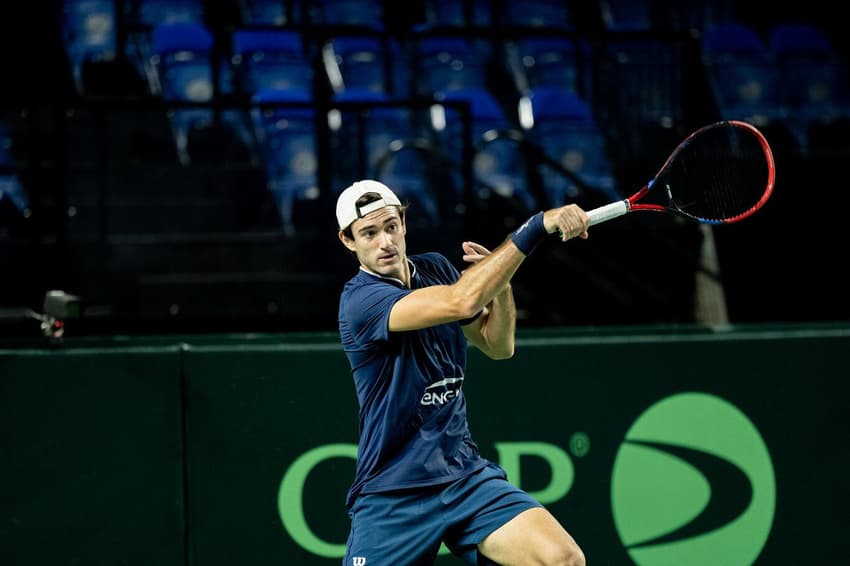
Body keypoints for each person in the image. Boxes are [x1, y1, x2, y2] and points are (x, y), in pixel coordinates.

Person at [336, 179, 589, 566]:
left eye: (390, 227)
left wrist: (499, 285)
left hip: (462, 475)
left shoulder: (436, 267)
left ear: (403, 222)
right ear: (349, 241)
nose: (384, 242)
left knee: (562, 559)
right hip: (393, 491)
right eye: (368, 233)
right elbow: (461, 300)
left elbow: (497, 345)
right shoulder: (360, 302)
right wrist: (535, 227)